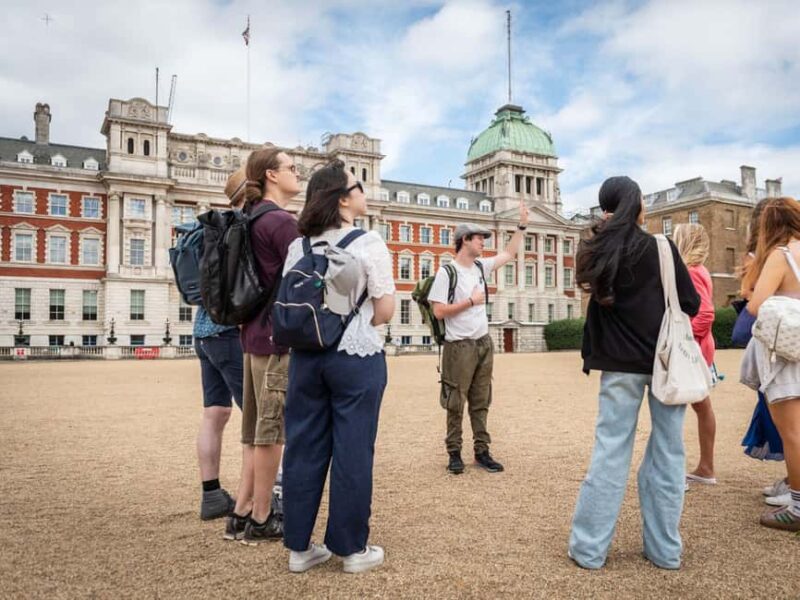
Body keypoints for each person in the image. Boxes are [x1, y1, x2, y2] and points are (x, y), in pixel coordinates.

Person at [568, 176, 700, 570]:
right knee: (668, 453)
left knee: (610, 453)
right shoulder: (661, 246)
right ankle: (664, 551)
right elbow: (689, 303)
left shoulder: (594, 247)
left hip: (618, 367)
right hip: (665, 364)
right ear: (639, 205)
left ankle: (590, 551)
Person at [281, 160, 395, 574]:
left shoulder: (300, 246)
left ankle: (299, 548)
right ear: (343, 198)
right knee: (353, 449)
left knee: (304, 446)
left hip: (306, 355)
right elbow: (384, 309)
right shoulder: (368, 242)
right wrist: (359, 318)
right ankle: (351, 550)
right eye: (358, 186)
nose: (364, 192)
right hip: (356, 356)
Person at [224, 148, 300, 544]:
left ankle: (241, 512)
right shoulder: (280, 223)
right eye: (291, 167)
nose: (296, 173)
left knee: (254, 431)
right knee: (272, 433)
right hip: (275, 339)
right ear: (271, 175)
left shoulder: (250, 218)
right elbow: (306, 282)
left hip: (252, 335)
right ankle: (262, 516)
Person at [428, 201, 529, 475]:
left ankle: (482, 451)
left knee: (481, 400)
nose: (484, 242)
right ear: (464, 241)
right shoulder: (446, 273)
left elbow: (509, 253)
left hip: (483, 342)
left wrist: (521, 226)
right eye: (479, 238)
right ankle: (454, 453)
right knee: (455, 402)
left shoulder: (480, 267)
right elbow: (438, 311)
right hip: (458, 346)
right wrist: (471, 302)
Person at [740, 196, 800, 532]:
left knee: (792, 432)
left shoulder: (782, 254)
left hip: (788, 352)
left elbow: (755, 305)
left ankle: (798, 507)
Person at [196, 168, 246, 521]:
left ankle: (211, 496)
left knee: (215, 413)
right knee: (258, 421)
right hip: (229, 332)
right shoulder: (243, 226)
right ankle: (252, 502)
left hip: (203, 331)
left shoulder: (214, 225)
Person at [673, 223, 717, 485]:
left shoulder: (690, 271)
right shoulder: (699, 270)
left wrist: (681, 335)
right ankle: (705, 467)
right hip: (699, 346)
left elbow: (706, 315)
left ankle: (698, 469)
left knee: (678, 407)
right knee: (702, 407)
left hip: (693, 348)